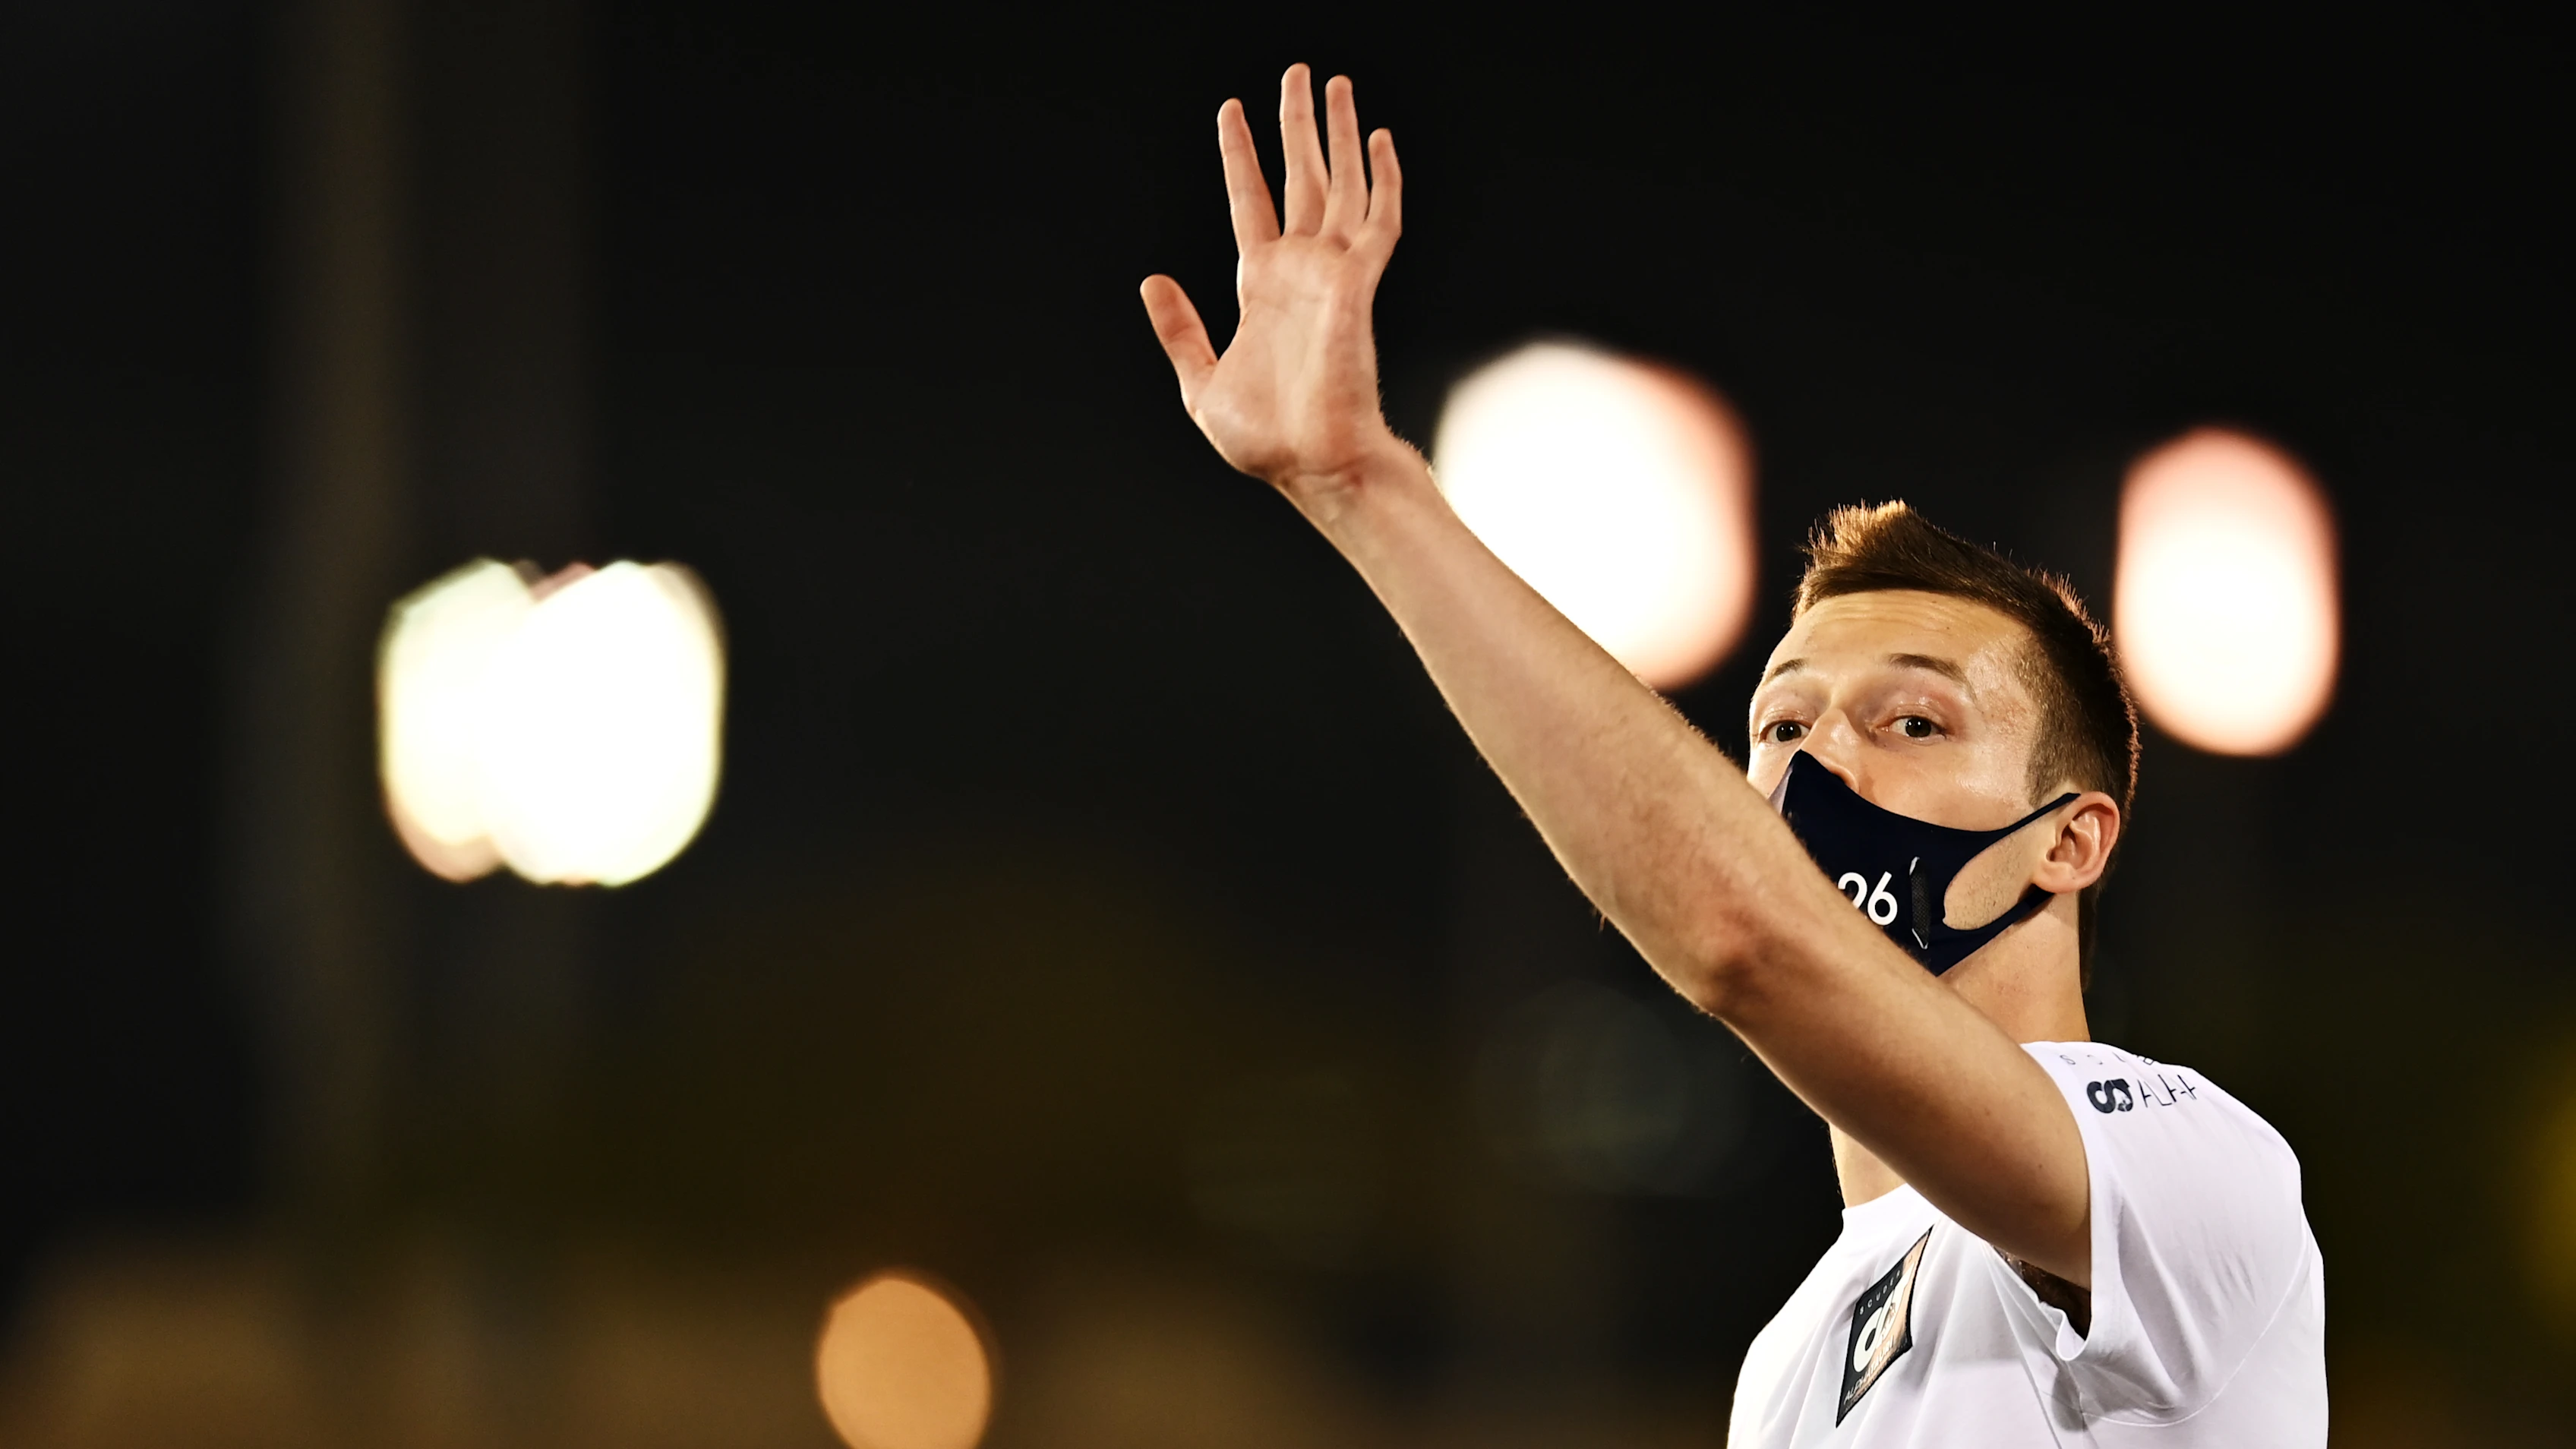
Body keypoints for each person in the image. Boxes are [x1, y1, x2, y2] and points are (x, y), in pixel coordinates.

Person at [1138, 65, 2326, 1446]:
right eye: (1782, 724)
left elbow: (1738, 931)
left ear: (2070, 838)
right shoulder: (1793, 1351)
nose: (1820, 767)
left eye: (1914, 721)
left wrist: (1361, 482)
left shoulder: (2191, 1171)